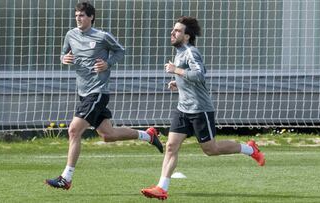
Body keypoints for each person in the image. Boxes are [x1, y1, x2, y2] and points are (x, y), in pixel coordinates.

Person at [141, 16, 265, 200]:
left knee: (210, 149)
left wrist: (176, 71)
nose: (172, 32)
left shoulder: (191, 52)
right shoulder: (179, 51)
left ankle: (249, 149)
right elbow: (189, 77)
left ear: (187, 36)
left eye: (177, 31)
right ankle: (162, 188)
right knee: (171, 146)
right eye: (173, 29)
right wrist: (179, 82)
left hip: (200, 109)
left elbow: (200, 75)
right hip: (183, 109)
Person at [45, 1, 163, 190]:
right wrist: (64, 58)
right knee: (108, 135)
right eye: (76, 15)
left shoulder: (102, 36)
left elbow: (120, 51)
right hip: (83, 93)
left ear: (91, 17)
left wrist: (107, 63)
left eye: (82, 15)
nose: (78, 18)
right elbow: (63, 54)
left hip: (97, 92)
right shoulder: (71, 35)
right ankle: (147, 135)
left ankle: (66, 178)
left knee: (74, 130)